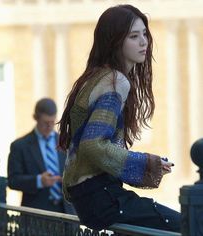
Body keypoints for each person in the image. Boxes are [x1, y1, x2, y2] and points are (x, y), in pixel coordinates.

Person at [58, 4, 180, 232]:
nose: (144, 42)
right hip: (102, 199)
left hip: (90, 198)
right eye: (134, 36)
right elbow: (92, 145)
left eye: (144, 33)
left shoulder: (94, 77)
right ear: (115, 41)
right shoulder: (115, 82)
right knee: (189, 224)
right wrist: (146, 163)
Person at [8, 98, 75, 214]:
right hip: (36, 215)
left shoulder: (66, 142)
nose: (49, 126)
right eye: (45, 122)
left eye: (52, 122)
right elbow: (13, 181)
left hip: (67, 213)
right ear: (35, 118)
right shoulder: (19, 146)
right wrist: (39, 181)